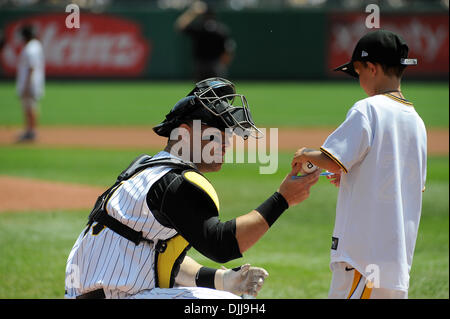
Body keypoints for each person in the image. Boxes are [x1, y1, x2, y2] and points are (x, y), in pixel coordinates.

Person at [65, 78, 320, 299]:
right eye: (218, 131)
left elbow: (157, 258)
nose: (226, 141)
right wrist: (283, 198)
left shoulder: (148, 170)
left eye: (228, 132)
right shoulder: (177, 183)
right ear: (185, 133)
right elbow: (221, 245)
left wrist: (223, 281)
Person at [291, 30, 426, 299]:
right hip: (395, 259)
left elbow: (330, 158)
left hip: (363, 259)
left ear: (372, 68)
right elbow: (402, 183)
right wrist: (358, 175)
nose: (359, 80)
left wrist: (305, 153)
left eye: (358, 71)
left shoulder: (368, 108)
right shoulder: (417, 122)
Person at [175, 1, 235, 81]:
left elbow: (179, 26)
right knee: (219, 91)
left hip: (200, 65)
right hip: (216, 65)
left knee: (201, 91)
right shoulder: (221, 30)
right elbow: (229, 50)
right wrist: (223, 65)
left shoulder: (199, 28)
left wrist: (193, 12)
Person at [15, 24, 45, 143]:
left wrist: (27, 85)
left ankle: (31, 132)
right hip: (32, 82)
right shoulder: (35, 45)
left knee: (30, 107)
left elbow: (31, 67)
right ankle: (29, 130)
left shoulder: (31, 48)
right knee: (29, 107)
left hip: (30, 83)